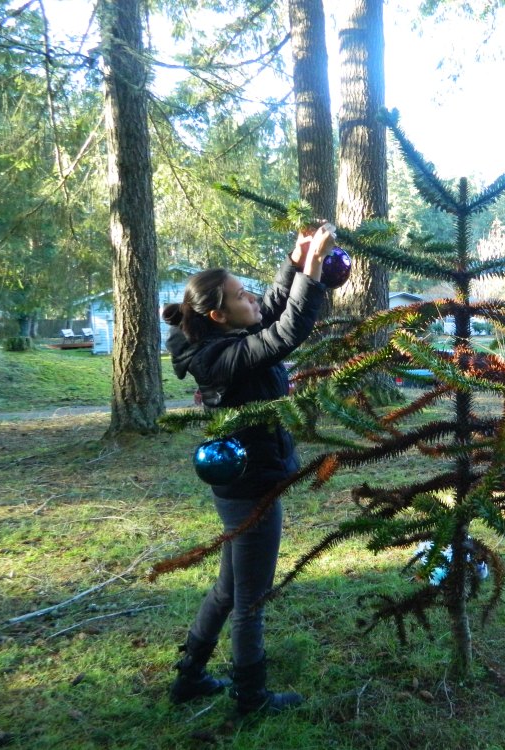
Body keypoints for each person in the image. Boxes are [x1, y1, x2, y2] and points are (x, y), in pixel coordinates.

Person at [161, 224, 336, 715]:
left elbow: (273, 309)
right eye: (241, 295)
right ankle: (251, 696)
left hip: (245, 479)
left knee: (229, 587)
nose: (251, 297)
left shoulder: (227, 336)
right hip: (250, 485)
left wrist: (296, 260)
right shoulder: (220, 358)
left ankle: (190, 676)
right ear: (218, 314)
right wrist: (316, 271)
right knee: (250, 599)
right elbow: (286, 332)